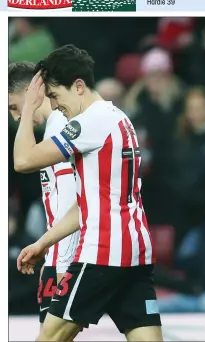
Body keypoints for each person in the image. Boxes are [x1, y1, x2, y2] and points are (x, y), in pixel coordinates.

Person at [14, 45, 163, 341]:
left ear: (79, 86)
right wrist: (44, 241)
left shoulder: (91, 121)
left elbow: (23, 161)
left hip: (102, 254)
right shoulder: (118, 117)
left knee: (50, 337)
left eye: (56, 96)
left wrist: (30, 104)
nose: (55, 106)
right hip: (135, 252)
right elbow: (88, 205)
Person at [9, 61, 79, 332]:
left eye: (15, 107)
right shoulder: (58, 126)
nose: (16, 116)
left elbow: (71, 200)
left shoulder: (61, 126)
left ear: (31, 91)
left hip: (71, 256)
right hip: (66, 252)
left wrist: (58, 263)